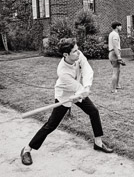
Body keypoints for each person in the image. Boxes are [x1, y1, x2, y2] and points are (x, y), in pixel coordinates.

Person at [20, 38, 113, 166]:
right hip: (64, 95)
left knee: (93, 112)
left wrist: (86, 87)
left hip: (77, 91)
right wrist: (82, 91)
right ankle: (27, 149)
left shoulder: (78, 56)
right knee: (51, 125)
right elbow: (76, 87)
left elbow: (87, 69)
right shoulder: (62, 71)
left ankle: (98, 143)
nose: (78, 52)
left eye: (77, 49)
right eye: (74, 51)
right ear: (66, 55)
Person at [108, 21, 125, 93]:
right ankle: (113, 89)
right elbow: (115, 46)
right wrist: (119, 56)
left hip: (113, 53)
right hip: (114, 53)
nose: (121, 27)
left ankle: (117, 85)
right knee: (115, 71)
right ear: (117, 26)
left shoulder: (112, 34)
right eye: (120, 26)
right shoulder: (115, 34)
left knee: (118, 70)